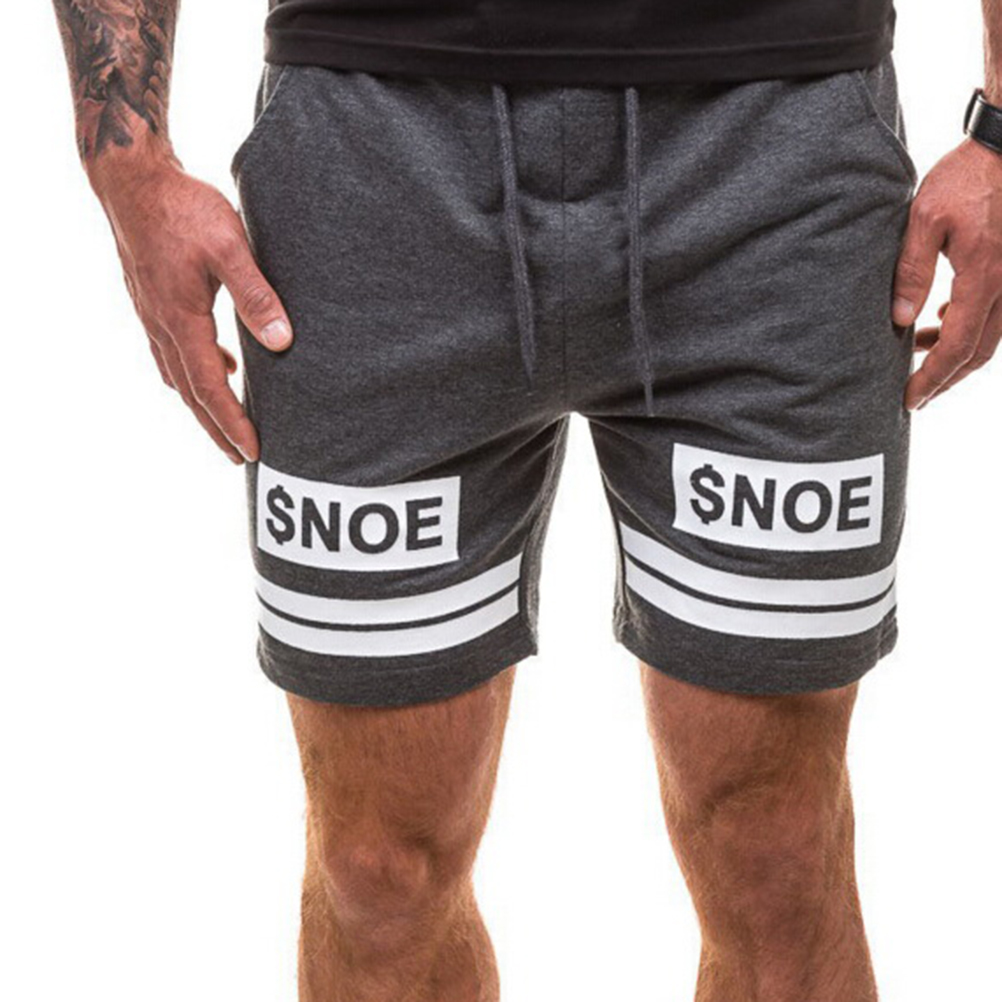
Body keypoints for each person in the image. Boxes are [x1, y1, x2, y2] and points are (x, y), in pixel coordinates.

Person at [52, 1, 1002, 999]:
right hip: (373, 156)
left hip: (778, 153)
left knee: (776, 847)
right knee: (377, 873)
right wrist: (129, 163)